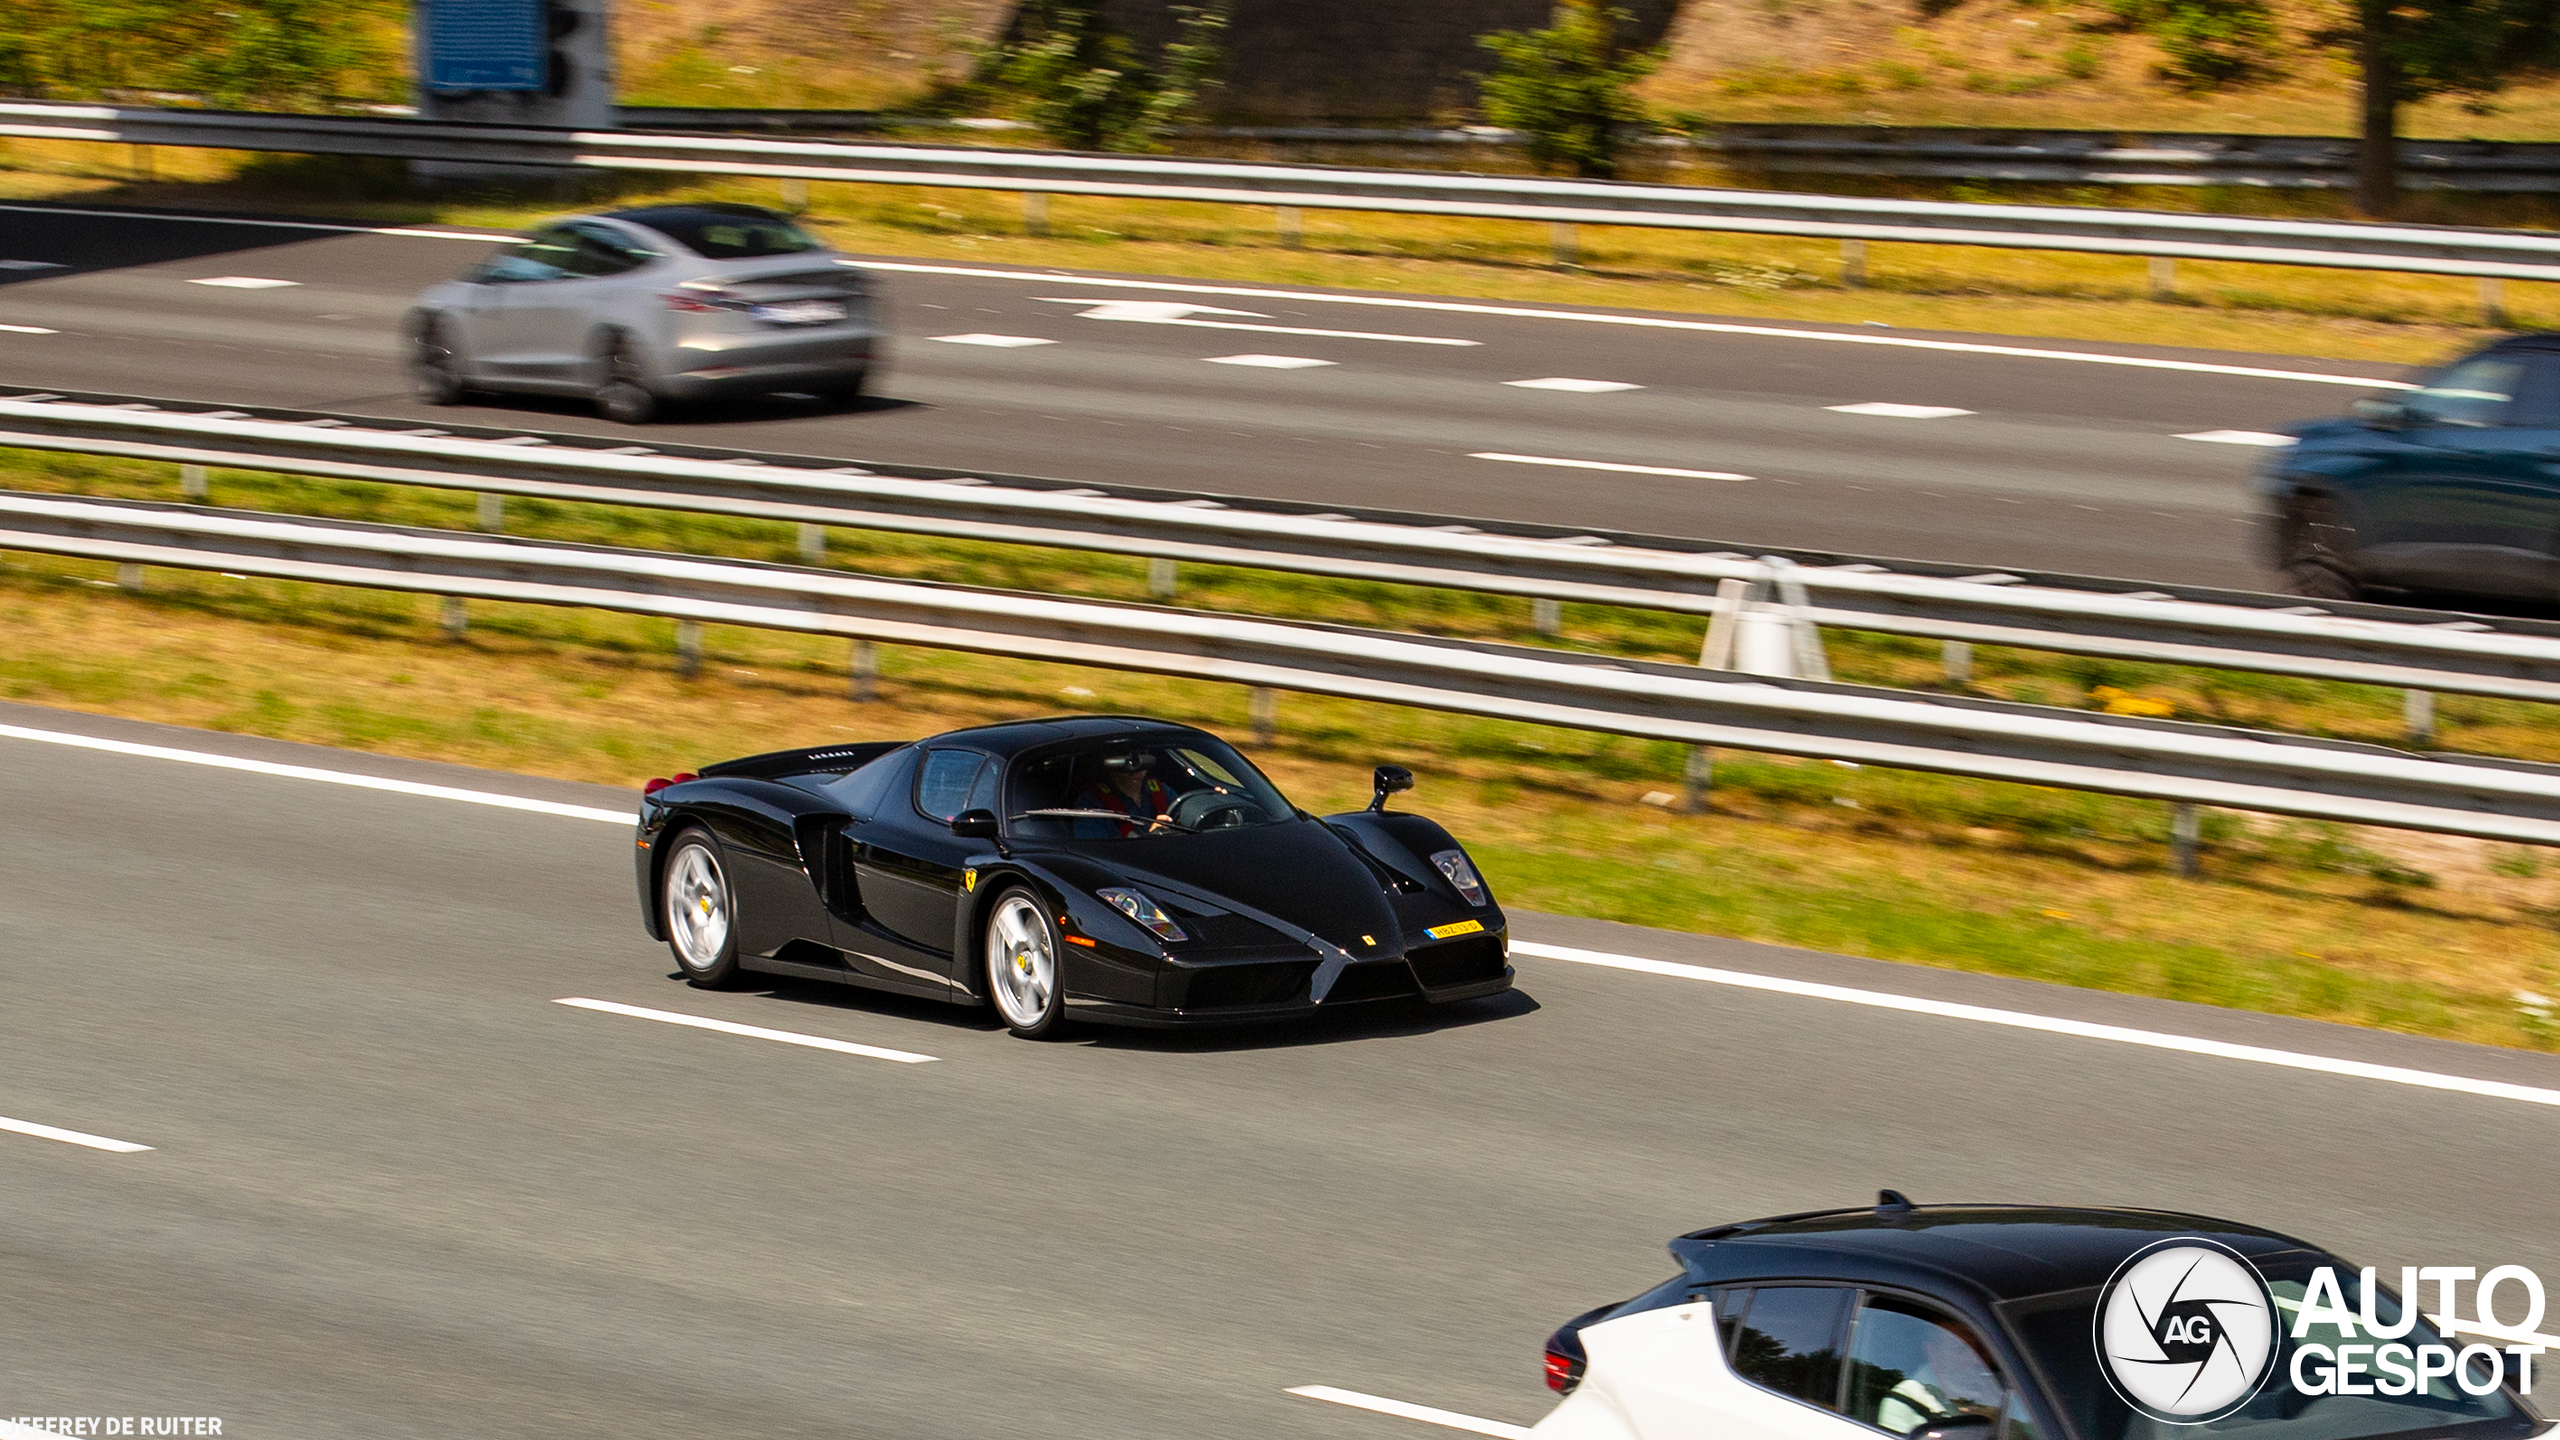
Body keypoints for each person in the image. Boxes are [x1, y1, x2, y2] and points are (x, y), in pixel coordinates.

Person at [1075, 752, 1177, 837]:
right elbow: (1094, 853)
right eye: (1126, 754)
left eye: (1141, 753)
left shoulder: (1161, 790)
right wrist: (1153, 837)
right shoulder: (1092, 803)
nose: (1138, 761)